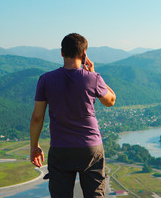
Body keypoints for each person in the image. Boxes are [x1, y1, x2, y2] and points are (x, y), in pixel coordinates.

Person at [29, 33, 116, 198]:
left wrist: (35, 146)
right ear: (84, 54)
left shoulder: (45, 80)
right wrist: (94, 73)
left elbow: (37, 117)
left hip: (61, 149)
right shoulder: (93, 79)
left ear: (62, 52)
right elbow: (111, 101)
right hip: (91, 148)